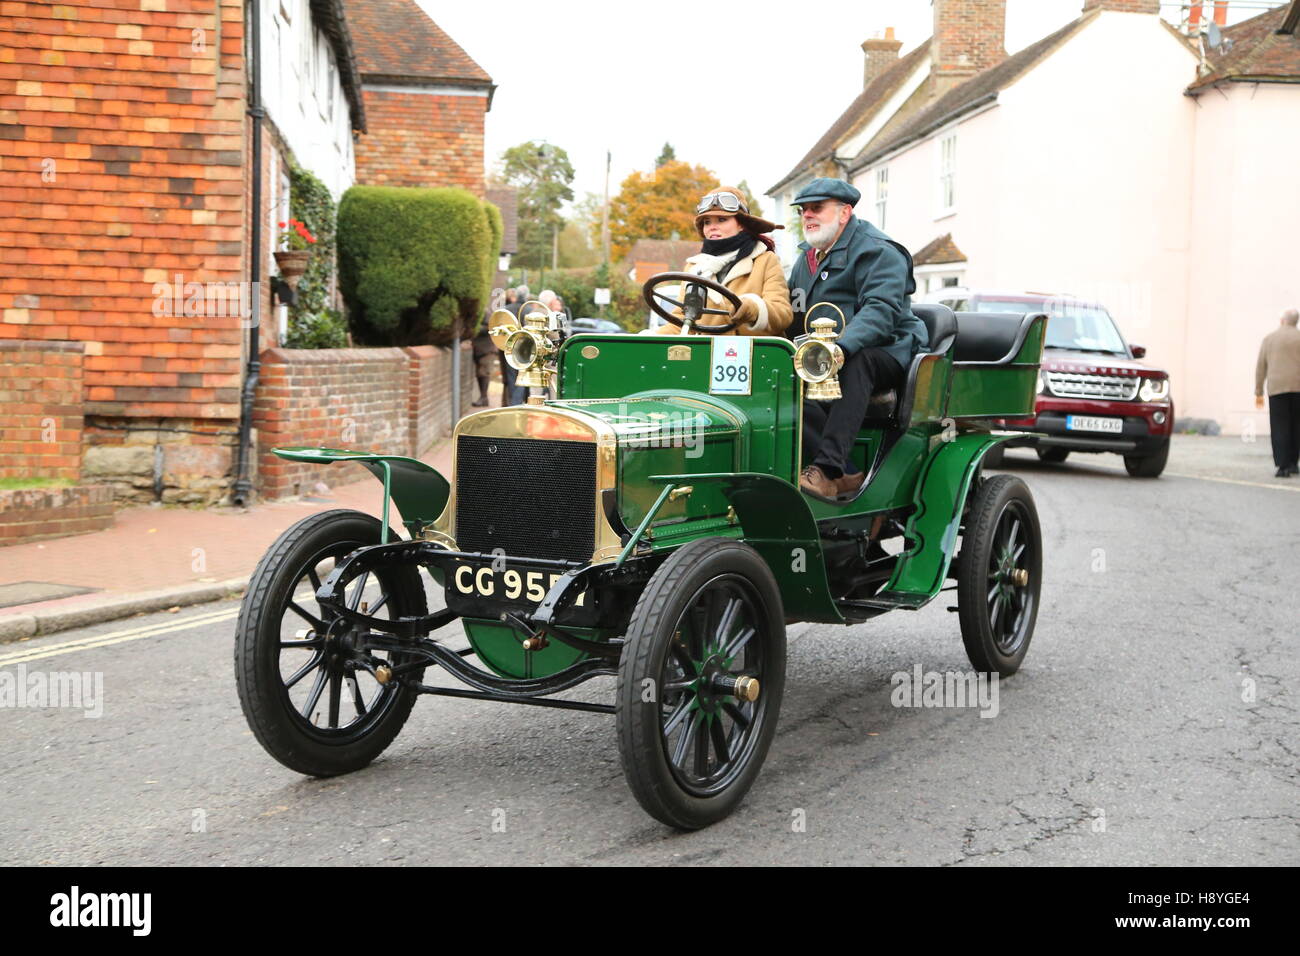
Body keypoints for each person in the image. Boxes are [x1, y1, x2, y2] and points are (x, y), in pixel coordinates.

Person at [787, 177, 928, 499]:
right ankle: (848, 471)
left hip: (888, 349)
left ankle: (829, 469)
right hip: (823, 355)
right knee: (778, 376)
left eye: (817, 208)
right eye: (803, 210)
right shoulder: (806, 259)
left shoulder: (878, 251)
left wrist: (840, 349)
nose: (807, 215)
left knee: (856, 362)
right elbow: (793, 315)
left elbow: (881, 311)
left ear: (844, 212)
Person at [659, 186, 792, 336]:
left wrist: (754, 309)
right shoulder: (694, 268)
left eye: (722, 220)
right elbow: (681, 321)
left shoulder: (765, 260)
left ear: (741, 224)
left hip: (756, 354)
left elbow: (782, 314)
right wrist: (647, 339)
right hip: (707, 356)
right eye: (707, 222)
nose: (712, 227)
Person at [1255, 308, 1300, 477]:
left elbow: (1261, 366)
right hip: (1298, 388)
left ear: (1282, 321)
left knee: (1280, 426)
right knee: (1296, 425)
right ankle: (1294, 463)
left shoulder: (1270, 339)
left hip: (1277, 389)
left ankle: (1282, 466)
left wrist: (1258, 390)